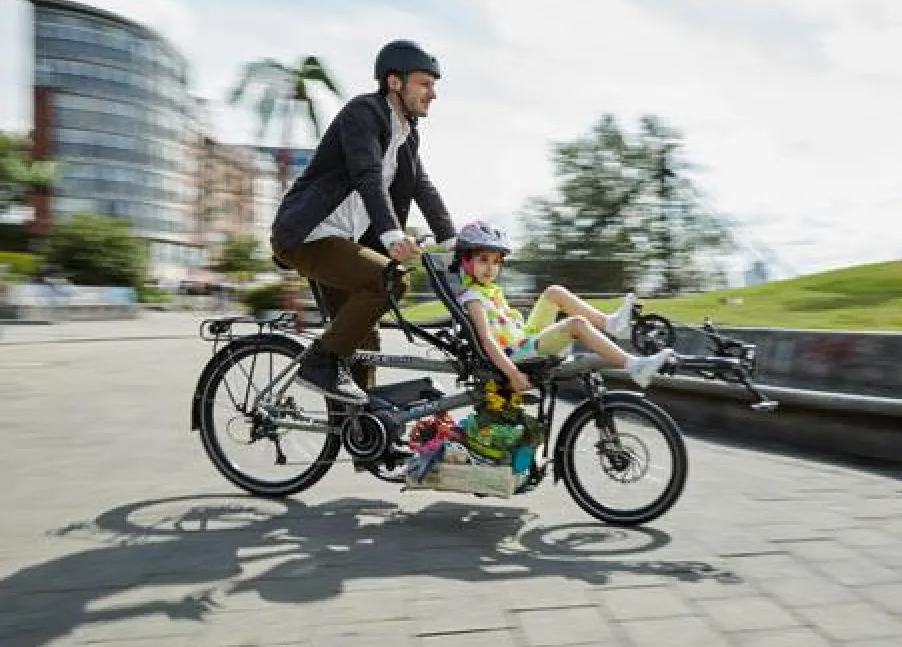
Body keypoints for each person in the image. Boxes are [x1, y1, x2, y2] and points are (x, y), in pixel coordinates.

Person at [271, 40, 457, 404]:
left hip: (344, 243)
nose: (432, 94)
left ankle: (361, 438)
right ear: (394, 82)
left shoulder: (407, 132)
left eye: (434, 86)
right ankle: (320, 362)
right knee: (390, 279)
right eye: (425, 83)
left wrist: (454, 241)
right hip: (308, 235)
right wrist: (392, 236)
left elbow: (421, 186)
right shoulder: (364, 113)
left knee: (364, 340)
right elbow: (367, 175)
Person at [452, 221, 674, 392]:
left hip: (523, 339)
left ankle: (611, 323)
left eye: (496, 261)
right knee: (576, 325)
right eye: (483, 259)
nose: (491, 268)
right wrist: (513, 374)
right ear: (467, 261)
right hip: (517, 354)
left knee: (554, 292)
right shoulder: (473, 297)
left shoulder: (489, 290)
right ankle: (634, 367)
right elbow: (487, 341)